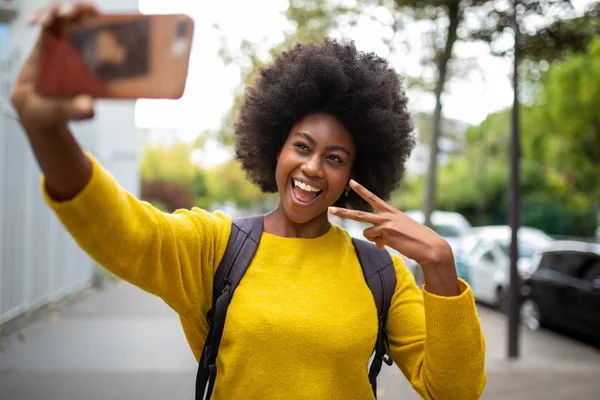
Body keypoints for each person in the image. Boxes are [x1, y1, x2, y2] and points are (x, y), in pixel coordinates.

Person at [11, 2, 486, 399]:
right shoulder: (217, 247)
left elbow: (453, 391)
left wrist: (442, 267)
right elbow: (123, 231)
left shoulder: (380, 271)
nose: (313, 167)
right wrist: (45, 129)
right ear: (276, 147)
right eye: (302, 146)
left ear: (353, 175)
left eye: (335, 158)